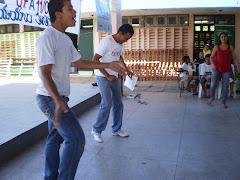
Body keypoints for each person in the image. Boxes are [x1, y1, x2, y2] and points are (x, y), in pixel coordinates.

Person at [35, 0, 126, 179]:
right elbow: (44, 73)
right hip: (50, 98)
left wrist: (109, 64)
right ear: (58, 14)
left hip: (59, 98)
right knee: (76, 140)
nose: (75, 11)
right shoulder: (47, 38)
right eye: (70, 8)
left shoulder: (65, 38)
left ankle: (50, 177)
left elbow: (81, 63)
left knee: (55, 139)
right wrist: (58, 101)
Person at [91, 24, 134, 143]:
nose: (126, 41)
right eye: (126, 38)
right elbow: (95, 59)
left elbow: (119, 58)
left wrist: (126, 70)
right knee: (106, 104)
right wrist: (107, 75)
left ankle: (116, 129)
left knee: (118, 104)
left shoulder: (119, 44)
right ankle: (97, 130)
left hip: (115, 77)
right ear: (120, 33)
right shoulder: (107, 41)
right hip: (103, 77)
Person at [207, 32, 240, 108]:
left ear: (227, 38)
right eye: (222, 37)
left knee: (225, 86)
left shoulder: (230, 47)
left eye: (225, 37)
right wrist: (212, 64)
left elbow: (234, 58)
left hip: (227, 69)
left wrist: (237, 66)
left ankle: (223, 102)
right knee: (213, 84)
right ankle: (212, 97)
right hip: (216, 68)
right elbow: (211, 57)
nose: (223, 38)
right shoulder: (216, 47)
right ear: (220, 38)